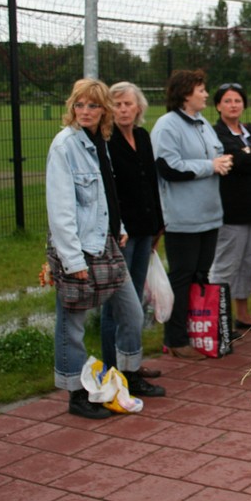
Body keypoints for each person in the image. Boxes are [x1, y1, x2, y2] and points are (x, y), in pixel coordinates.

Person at [47, 79, 165, 419]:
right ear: (72, 107)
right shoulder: (65, 145)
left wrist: (120, 228)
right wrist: (72, 261)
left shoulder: (99, 141)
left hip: (107, 242)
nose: (85, 111)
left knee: (131, 310)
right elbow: (61, 208)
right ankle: (75, 392)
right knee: (72, 323)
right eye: (79, 105)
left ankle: (128, 373)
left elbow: (105, 194)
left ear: (104, 111)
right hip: (78, 247)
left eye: (93, 106)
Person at [151, 69, 232, 359]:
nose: (206, 94)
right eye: (201, 89)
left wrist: (222, 161)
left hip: (209, 216)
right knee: (182, 277)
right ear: (186, 94)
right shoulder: (167, 126)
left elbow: (213, 156)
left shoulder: (202, 123)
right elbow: (168, 167)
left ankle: (201, 331)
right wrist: (210, 166)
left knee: (201, 275)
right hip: (182, 219)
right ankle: (175, 339)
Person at [100, 82, 164, 378]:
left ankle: (132, 364)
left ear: (138, 107)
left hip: (145, 229)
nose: (123, 109)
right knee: (117, 302)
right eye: (117, 104)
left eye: (128, 104)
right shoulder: (106, 141)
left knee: (135, 299)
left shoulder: (142, 136)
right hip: (122, 233)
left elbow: (151, 182)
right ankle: (113, 368)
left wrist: (158, 226)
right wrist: (116, 229)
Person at [209, 82, 251, 331]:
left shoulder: (249, 129)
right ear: (218, 106)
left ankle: (243, 315)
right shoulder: (216, 133)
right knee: (227, 266)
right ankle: (218, 321)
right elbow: (235, 160)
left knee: (248, 264)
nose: (233, 105)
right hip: (232, 211)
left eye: (237, 100)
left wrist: (250, 151)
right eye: (227, 101)